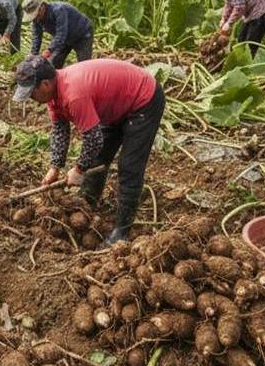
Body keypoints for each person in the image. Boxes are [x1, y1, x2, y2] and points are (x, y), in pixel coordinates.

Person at [13, 56, 165, 245]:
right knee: (98, 158)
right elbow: (60, 128)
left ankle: (121, 231)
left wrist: (78, 170)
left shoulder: (73, 94)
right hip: (117, 105)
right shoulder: (53, 95)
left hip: (143, 100)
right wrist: (55, 167)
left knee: (129, 167)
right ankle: (88, 203)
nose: (32, 99)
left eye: (31, 93)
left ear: (45, 84)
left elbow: (93, 140)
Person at [22, 0, 93, 68]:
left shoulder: (58, 10)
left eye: (36, 15)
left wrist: (49, 50)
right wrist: (33, 54)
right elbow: (37, 36)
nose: (36, 19)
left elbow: (61, 33)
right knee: (53, 65)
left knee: (84, 66)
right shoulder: (36, 19)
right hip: (64, 40)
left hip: (82, 35)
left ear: (42, 7)